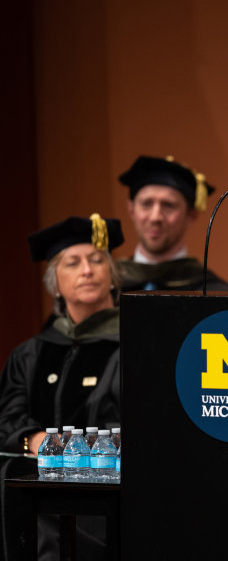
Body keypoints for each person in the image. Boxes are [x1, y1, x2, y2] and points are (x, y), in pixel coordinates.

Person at [0, 214, 123, 560]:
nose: (87, 270)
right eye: (73, 263)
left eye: (97, 260)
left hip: (109, 501)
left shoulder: (134, 346)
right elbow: (7, 417)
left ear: (113, 277)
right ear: (55, 285)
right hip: (38, 506)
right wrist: (36, 440)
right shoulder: (30, 354)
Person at [118, 155, 228, 292]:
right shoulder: (107, 287)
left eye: (169, 205)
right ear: (131, 210)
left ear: (191, 216)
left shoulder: (215, 293)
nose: (156, 217)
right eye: (146, 204)